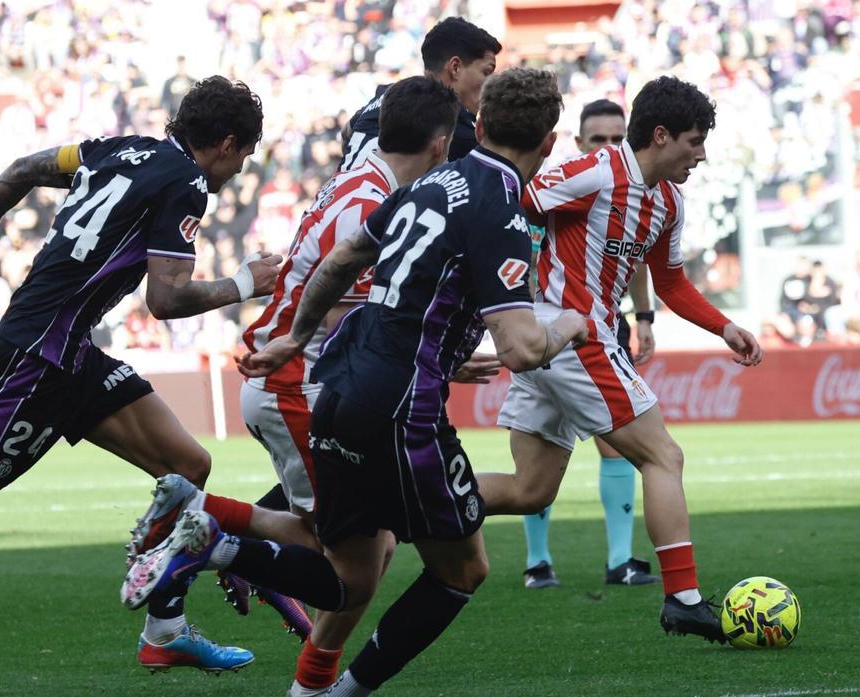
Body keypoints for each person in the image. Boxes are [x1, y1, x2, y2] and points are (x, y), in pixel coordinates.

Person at [124, 68, 587, 697]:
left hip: (337, 387)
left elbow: (344, 259)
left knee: (355, 572)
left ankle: (227, 555)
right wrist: (569, 322)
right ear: (550, 142)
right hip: (400, 409)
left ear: (480, 126)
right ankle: (323, 675)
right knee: (459, 570)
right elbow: (521, 347)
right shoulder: (497, 208)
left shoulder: (426, 187)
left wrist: (295, 333)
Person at [0, 76, 286, 672]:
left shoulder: (114, 148)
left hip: (70, 354)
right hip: (35, 359)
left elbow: (18, 171)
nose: (240, 169)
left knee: (189, 466)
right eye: (244, 155)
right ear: (226, 144)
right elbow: (164, 301)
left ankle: (165, 634)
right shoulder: (188, 182)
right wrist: (247, 283)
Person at [479, 76, 764, 643]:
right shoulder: (599, 171)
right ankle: (682, 598)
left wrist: (725, 326)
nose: (702, 154)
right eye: (694, 140)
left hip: (561, 340)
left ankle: (407, 501)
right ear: (661, 136)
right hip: (573, 335)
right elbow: (517, 196)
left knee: (531, 490)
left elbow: (672, 283)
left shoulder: (667, 201)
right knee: (663, 456)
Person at [237, 76, 495, 695]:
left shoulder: (365, 183)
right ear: (441, 144)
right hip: (299, 383)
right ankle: (213, 536)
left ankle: (315, 679)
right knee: (351, 563)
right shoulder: (374, 196)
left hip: (312, 379)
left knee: (372, 548)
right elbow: (339, 313)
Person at [520, 98, 659, 589]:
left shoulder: (633, 193)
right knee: (540, 450)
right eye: (598, 139)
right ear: (578, 144)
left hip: (604, 323)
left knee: (614, 444)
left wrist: (644, 317)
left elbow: (636, 257)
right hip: (550, 322)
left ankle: (619, 558)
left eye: (617, 138)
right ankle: (538, 561)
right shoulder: (564, 187)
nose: (608, 147)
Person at [339, 16, 500, 170]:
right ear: (455, 67)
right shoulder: (453, 123)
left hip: (336, 191)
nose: (492, 83)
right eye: (487, 72)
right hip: (375, 196)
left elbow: (347, 131)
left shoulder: (389, 92)